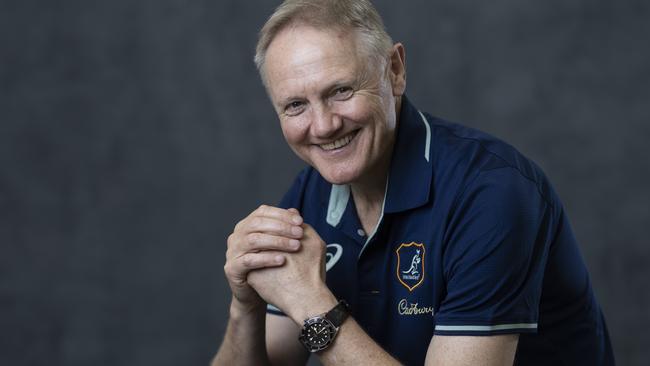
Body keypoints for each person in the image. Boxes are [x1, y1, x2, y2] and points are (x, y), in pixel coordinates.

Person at [212, 0, 615, 365]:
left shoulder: (492, 193)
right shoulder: (310, 195)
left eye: (340, 90)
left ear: (395, 71)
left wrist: (314, 305)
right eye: (295, 105)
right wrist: (243, 304)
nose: (323, 125)